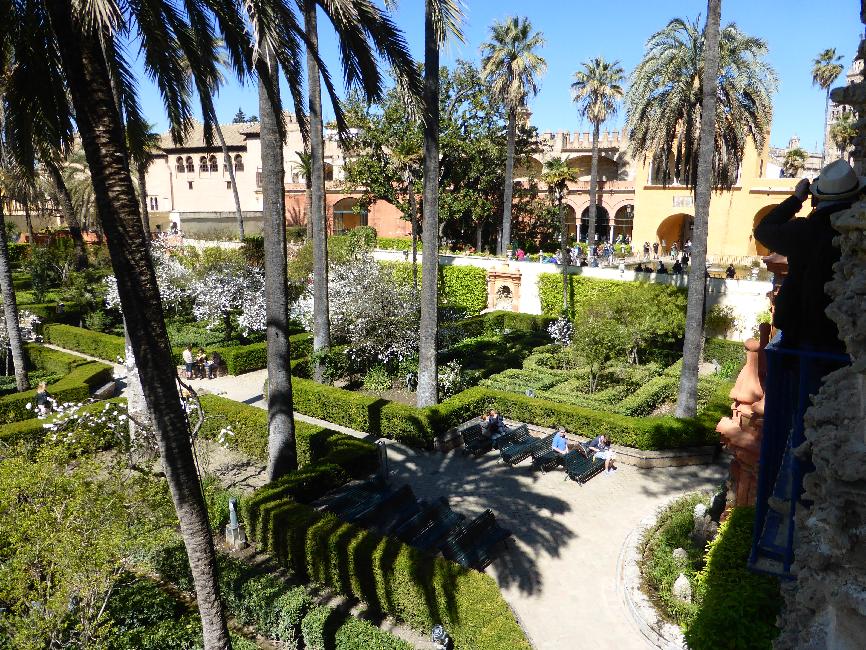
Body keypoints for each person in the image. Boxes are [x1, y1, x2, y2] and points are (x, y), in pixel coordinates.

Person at [755, 160, 864, 352]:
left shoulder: (804, 231)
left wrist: (797, 199)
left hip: (799, 329)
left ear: (817, 198)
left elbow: (763, 230)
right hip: (848, 333)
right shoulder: (858, 231)